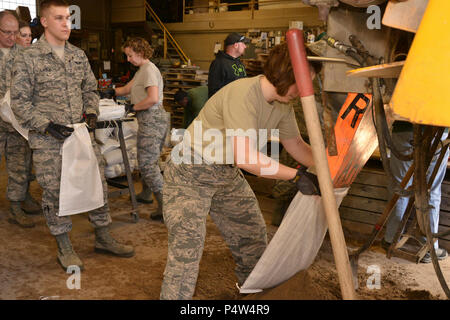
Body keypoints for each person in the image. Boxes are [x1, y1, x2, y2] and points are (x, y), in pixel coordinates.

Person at [160, 43, 321, 300]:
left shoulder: (282, 105)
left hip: (225, 171)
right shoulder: (244, 94)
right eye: (303, 82)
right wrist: (297, 176)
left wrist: (328, 166)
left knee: (253, 237)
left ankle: (250, 298)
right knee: (186, 250)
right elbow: (246, 158)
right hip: (190, 169)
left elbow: (297, 146)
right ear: (285, 75)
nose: (305, 90)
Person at [10, 0, 135, 271]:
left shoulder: (77, 55)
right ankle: (64, 246)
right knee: (55, 191)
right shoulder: (28, 58)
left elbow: (90, 89)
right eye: (59, 18)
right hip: (48, 140)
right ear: (44, 22)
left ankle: (103, 236)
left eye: (68, 17)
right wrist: (45, 125)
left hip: (80, 134)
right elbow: (19, 102)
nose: (67, 23)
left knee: (96, 182)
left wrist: (90, 112)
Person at [106, 37, 169, 222]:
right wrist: (111, 92)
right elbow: (127, 88)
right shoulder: (142, 70)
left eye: (130, 55)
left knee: (147, 164)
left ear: (140, 53)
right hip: (151, 119)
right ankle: (147, 194)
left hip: (152, 119)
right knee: (151, 161)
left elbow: (152, 98)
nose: (128, 59)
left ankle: (166, 207)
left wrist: (133, 108)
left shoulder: (149, 70)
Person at [381, 121, 449, 263]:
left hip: (405, 128)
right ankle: (430, 247)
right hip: (439, 132)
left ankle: (391, 239)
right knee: (430, 190)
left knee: (401, 187)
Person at [0, 11, 41, 229]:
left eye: (15, 32)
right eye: (6, 32)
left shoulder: (23, 55)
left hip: (16, 124)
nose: (12, 37)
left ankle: (16, 206)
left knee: (19, 165)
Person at [207, 32, 249, 98]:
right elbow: (214, 92)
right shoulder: (219, 63)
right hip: (227, 105)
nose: (245, 46)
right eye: (243, 43)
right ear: (236, 45)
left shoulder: (239, 63)